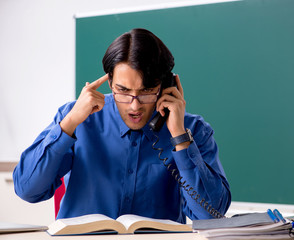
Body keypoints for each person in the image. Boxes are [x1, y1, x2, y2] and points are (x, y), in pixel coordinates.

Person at [13, 28, 231, 223]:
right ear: (110, 83)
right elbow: (27, 190)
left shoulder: (193, 130)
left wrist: (179, 138)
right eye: (124, 91)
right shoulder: (77, 118)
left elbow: (211, 215)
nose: (134, 106)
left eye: (146, 91)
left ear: (165, 85)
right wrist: (69, 123)